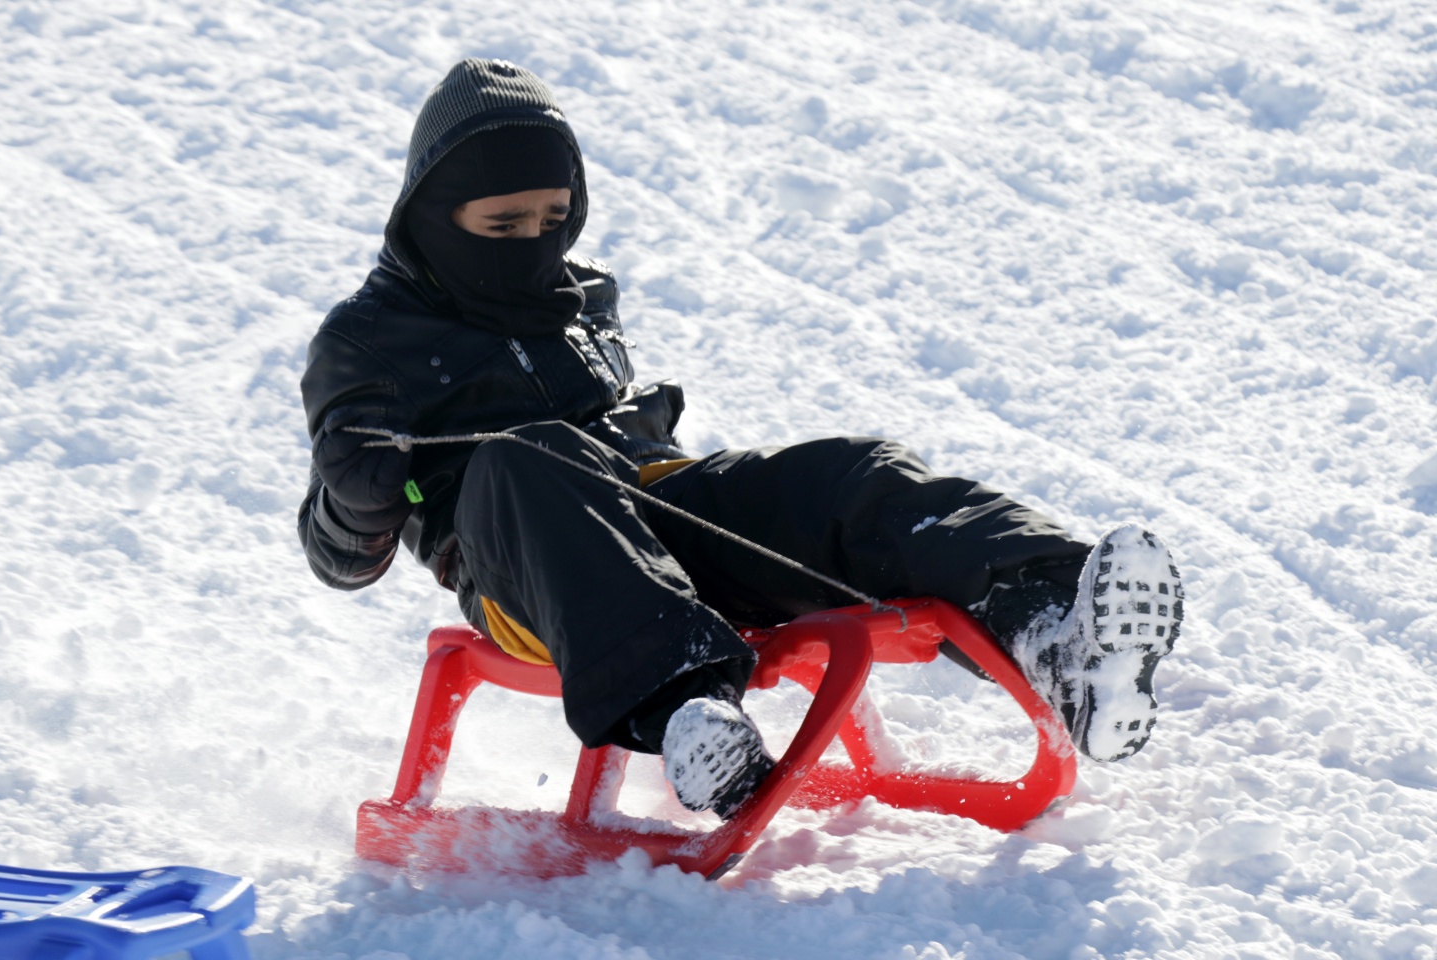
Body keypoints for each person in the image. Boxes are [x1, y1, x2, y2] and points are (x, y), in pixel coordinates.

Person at [298, 59, 1183, 820]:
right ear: (429, 213)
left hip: (657, 515)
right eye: (502, 226)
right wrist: (358, 497)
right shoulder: (366, 343)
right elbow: (340, 559)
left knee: (848, 475)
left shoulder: (578, 294)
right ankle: (690, 717)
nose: (535, 244)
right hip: (525, 578)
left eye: (552, 219)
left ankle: (1054, 634)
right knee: (528, 457)